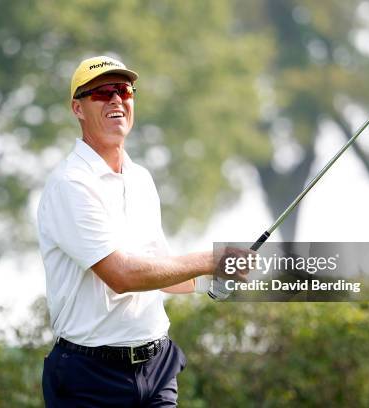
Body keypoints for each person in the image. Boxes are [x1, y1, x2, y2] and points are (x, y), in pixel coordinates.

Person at [37, 55, 243, 407]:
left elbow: (158, 268)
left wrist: (213, 278)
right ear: (78, 108)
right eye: (102, 93)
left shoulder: (141, 178)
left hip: (157, 365)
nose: (117, 99)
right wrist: (209, 260)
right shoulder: (70, 185)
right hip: (89, 378)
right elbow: (122, 275)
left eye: (124, 90)